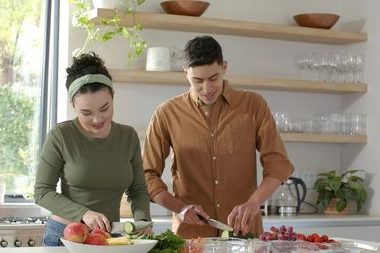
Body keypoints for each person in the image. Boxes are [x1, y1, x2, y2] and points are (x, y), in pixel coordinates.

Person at [142, 35, 294, 239]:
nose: (207, 89)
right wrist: (180, 208)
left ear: (224, 67)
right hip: (192, 237)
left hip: (245, 235)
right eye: (198, 80)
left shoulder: (254, 106)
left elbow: (278, 164)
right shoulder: (167, 113)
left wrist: (254, 203)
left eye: (213, 78)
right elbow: (146, 175)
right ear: (185, 73)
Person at [35, 52, 152, 246]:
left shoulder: (128, 136)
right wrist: (84, 214)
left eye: (105, 108)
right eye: (86, 113)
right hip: (65, 236)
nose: (97, 119)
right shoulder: (61, 135)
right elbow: (42, 192)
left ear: (113, 97)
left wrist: (142, 221)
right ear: (73, 105)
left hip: (110, 237)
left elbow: (138, 190)